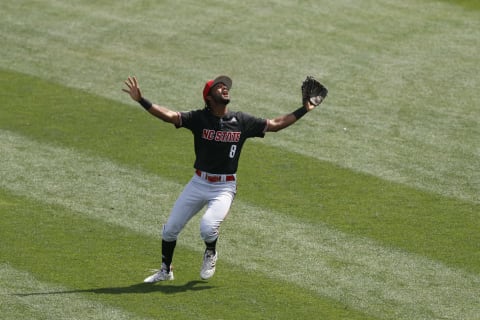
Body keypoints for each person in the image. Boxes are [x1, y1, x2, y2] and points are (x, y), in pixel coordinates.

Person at [122, 75, 323, 282]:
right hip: (199, 182)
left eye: (226, 87)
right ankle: (166, 270)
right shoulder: (199, 118)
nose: (225, 88)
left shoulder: (241, 121)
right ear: (208, 97)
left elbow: (275, 124)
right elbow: (170, 116)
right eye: (219, 87)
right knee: (170, 229)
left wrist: (304, 109)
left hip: (224, 186)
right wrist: (141, 100)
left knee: (208, 227)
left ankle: (211, 252)